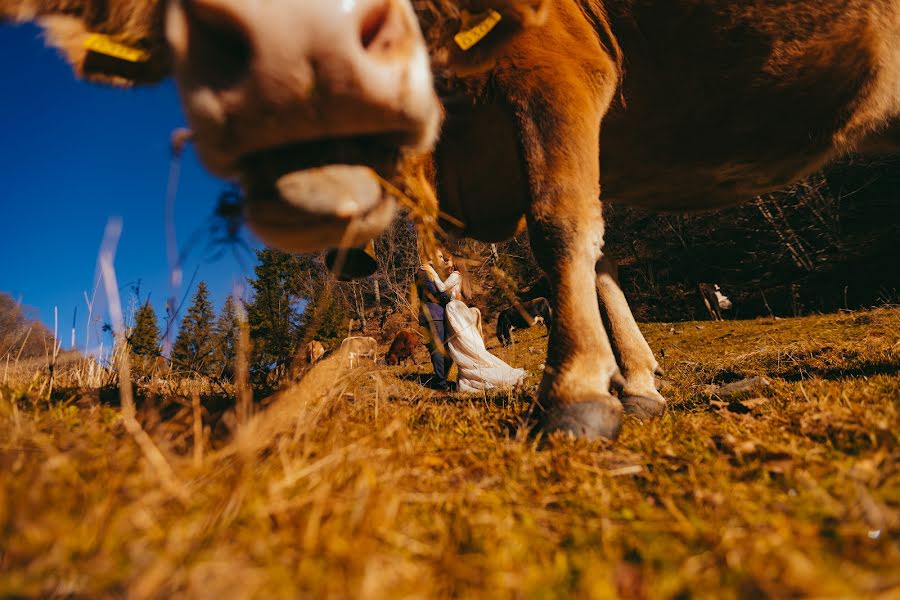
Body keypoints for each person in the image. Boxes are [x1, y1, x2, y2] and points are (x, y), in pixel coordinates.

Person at [421, 250, 526, 393]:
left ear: (455, 264)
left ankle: (472, 376)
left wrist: (431, 271)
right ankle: (466, 377)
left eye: (448, 260)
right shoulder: (452, 275)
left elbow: (441, 288)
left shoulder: (455, 275)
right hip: (452, 310)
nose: (445, 261)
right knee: (459, 346)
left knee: (461, 345)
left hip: (453, 311)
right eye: (443, 258)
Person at [416, 267, 453, 391]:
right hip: (433, 315)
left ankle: (442, 378)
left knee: (447, 348)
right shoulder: (424, 271)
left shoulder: (433, 271)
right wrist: (450, 296)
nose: (442, 259)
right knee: (438, 349)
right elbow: (434, 292)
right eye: (440, 256)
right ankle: (441, 383)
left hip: (439, 314)